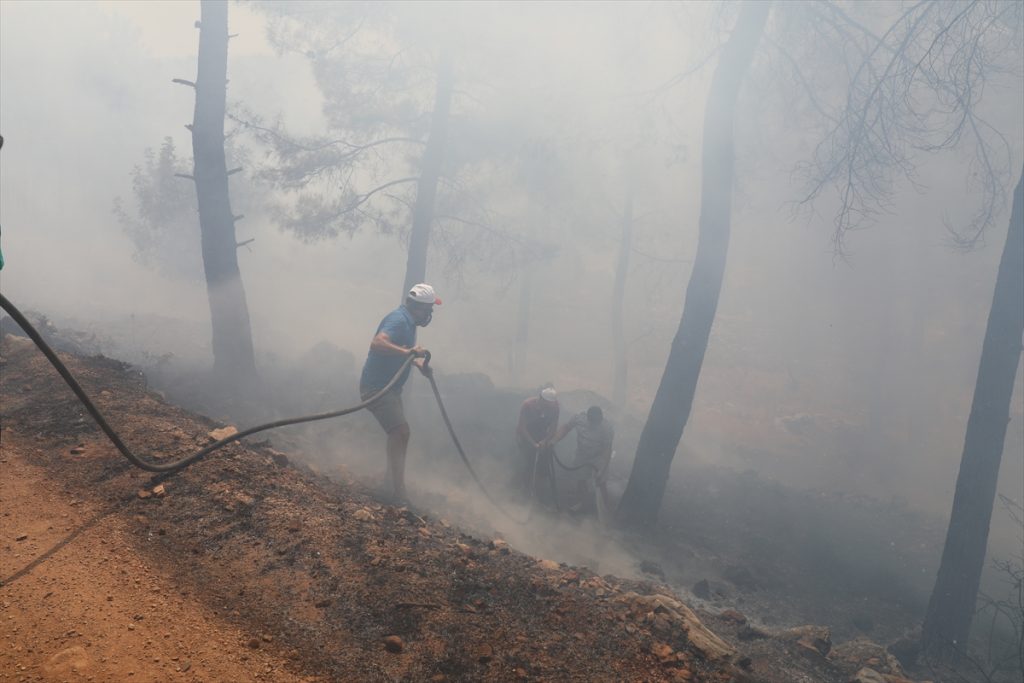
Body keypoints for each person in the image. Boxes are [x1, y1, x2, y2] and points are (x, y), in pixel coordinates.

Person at [359, 283, 440, 503]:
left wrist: (418, 364)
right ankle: (398, 492)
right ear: (415, 306)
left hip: (390, 389)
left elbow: (403, 353)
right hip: (377, 388)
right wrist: (409, 352)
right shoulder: (399, 319)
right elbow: (378, 343)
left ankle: (390, 484)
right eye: (428, 309)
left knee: (399, 433)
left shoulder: (409, 322)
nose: (429, 314)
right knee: (401, 432)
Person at [549, 405, 614, 514]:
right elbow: (566, 428)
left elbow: (608, 449)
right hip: (582, 453)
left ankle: (607, 509)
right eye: (592, 421)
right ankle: (582, 503)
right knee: (580, 479)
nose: (594, 424)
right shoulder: (579, 418)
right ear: (588, 417)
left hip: (598, 456)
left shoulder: (607, 428)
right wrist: (554, 440)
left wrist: (602, 469)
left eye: (597, 422)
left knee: (601, 482)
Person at [515, 386, 560, 502]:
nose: (548, 406)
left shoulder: (555, 407)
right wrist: (533, 443)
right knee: (529, 462)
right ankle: (524, 491)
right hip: (526, 436)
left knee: (542, 465)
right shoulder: (528, 405)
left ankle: (538, 494)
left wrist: (545, 441)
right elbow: (522, 427)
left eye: (550, 403)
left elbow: (553, 427)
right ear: (540, 398)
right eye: (546, 403)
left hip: (542, 436)